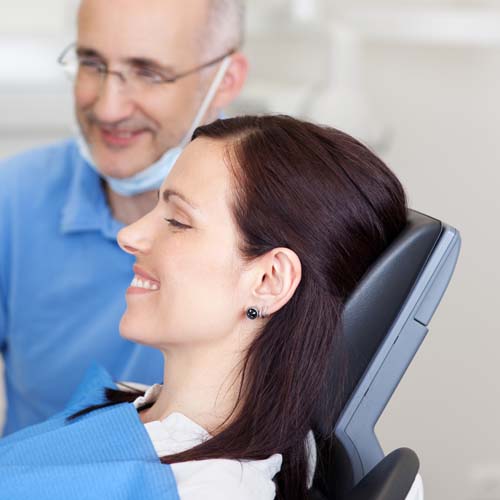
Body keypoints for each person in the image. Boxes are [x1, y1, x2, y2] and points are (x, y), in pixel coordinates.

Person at [0, 115, 416, 500]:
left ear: (268, 281)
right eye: (156, 208)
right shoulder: (129, 404)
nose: (130, 234)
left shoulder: (201, 489)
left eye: (178, 221)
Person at [0, 0, 248, 434]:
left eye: (149, 73)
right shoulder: (14, 199)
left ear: (224, 80)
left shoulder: (286, 219)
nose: (109, 108)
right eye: (91, 63)